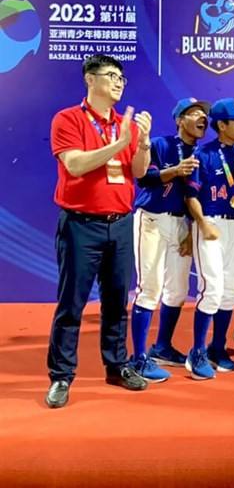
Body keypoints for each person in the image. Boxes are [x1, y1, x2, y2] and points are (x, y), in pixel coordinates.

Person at [46, 53, 152, 408]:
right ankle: (61, 377)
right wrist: (119, 144)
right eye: (111, 75)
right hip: (81, 225)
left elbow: (137, 171)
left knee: (117, 302)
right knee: (71, 304)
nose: (119, 82)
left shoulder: (126, 124)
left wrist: (144, 144)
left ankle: (117, 365)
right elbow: (75, 164)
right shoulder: (68, 119)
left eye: (122, 77)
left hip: (120, 224)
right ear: (90, 80)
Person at [129, 97, 210, 382]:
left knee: (176, 290)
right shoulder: (162, 144)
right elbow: (145, 180)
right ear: (179, 120)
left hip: (180, 223)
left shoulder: (202, 153)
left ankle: (162, 346)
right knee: (149, 288)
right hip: (151, 218)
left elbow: (194, 197)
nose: (202, 117)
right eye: (194, 113)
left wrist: (190, 227)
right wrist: (176, 170)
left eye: (204, 114)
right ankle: (138, 358)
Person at [184, 98, 234, 380]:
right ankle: (197, 352)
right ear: (222, 125)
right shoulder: (202, 155)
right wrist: (203, 224)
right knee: (211, 289)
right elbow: (190, 196)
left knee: (229, 292)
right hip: (211, 224)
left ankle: (218, 347)